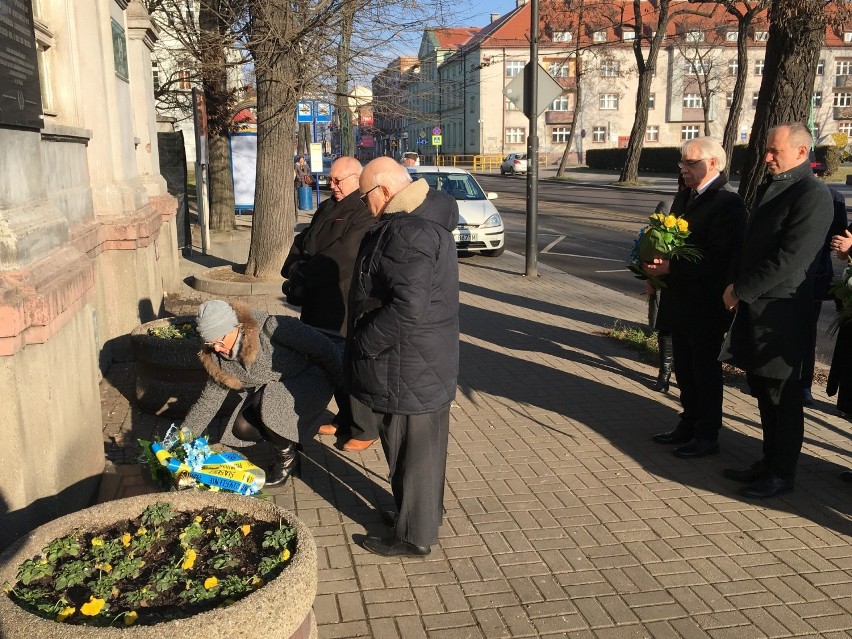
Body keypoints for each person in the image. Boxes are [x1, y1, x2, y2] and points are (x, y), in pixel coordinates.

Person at [346, 157, 459, 557]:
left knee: (413, 457)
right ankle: (421, 516)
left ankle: (414, 539)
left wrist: (365, 343)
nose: (364, 204)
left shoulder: (409, 231)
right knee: (419, 455)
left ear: (384, 190)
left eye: (365, 196)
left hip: (406, 365)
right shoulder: (419, 221)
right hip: (418, 363)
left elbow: (407, 309)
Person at [720, 123, 834, 499]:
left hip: (781, 314)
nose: (766, 157)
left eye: (775, 152)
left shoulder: (812, 195)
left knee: (782, 398)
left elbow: (791, 258)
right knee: (764, 391)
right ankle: (768, 462)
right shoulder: (777, 184)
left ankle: (782, 473)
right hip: (760, 308)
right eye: (767, 150)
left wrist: (741, 289)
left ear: (801, 153)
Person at [645, 137, 747, 459]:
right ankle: (687, 423)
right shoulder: (684, 197)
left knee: (704, 371)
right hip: (678, 298)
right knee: (685, 370)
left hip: (705, 305)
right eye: (682, 163)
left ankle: (707, 434)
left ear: (713, 164)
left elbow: (720, 259)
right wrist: (652, 273)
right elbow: (668, 242)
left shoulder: (728, 203)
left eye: (690, 163)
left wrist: (671, 267)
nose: (683, 169)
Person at [181, 300, 343, 486]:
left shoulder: (272, 329)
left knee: (267, 402)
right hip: (275, 392)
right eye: (210, 343)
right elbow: (207, 402)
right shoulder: (218, 360)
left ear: (235, 326)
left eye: (219, 340)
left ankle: (286, 461)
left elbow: (326, 350)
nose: (216, 348)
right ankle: (291, 447)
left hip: (312, 382)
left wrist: (347, 399)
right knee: (243, 427)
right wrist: (183, 439)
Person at [281, 156, 378, 452]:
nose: (332, 185)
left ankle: (365, 427)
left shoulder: (363, 211)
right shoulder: (326, 206)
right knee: (325, 363)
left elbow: (343, 257)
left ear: (356, 179)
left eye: (338, 180)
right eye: (330, 180)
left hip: (341, 303)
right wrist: (293, 268)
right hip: (315, 299)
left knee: (345, 365)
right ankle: (344, 419)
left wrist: (304, 274)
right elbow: (304, 241)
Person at [801, 172, 848, 405]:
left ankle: (804, 385)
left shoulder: (834, 197)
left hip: (815, 275)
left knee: (807, 332)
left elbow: (841, 237)